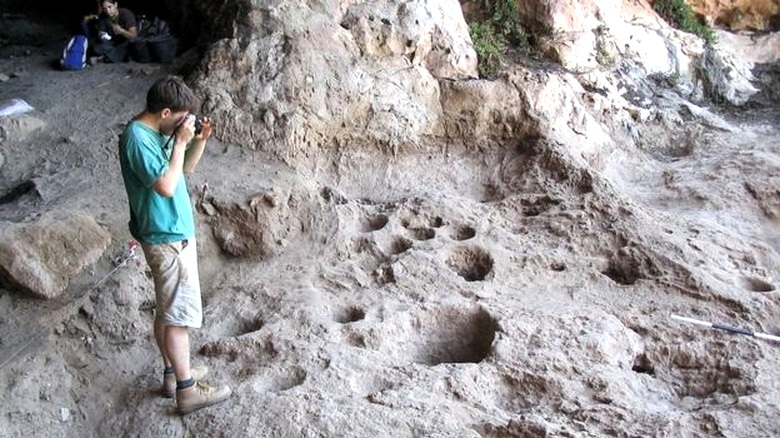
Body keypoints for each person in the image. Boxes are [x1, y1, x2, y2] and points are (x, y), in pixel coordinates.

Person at [118, 76, 231, 414]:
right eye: (181, 117)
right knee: (178, 317)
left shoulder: (156, 132)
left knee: (168, 311)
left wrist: (198, 142)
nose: (184, 123)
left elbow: (183, 171)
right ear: (165, 111)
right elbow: (166, 186)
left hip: (171, 233)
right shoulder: (137, 139)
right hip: (165, 237)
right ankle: (188, 390)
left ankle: (173, 374)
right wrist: (181, 141)